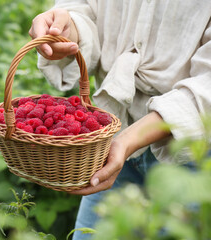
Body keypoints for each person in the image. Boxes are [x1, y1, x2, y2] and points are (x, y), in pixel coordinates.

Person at [28, 1, 211, 239]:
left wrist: (125, 142)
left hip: (191, 152)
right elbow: (85, 7)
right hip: (111, 143)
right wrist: (67, 28)